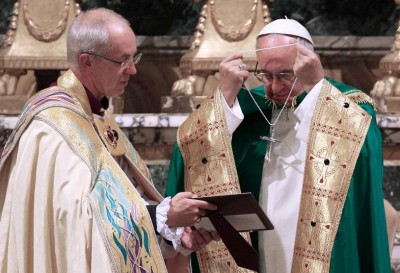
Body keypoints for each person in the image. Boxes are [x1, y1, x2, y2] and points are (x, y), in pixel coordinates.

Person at [0, 8, 221, 273]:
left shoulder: (98, 116)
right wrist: (163, 218)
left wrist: (170, 235)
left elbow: (121, 206)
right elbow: (76, 229)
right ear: (87, 61)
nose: (134, 69)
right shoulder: (50, 128)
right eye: (122, 60)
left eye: (134, 57)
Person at [166, 18, 392, 273]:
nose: (274, 86)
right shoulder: (247, 109)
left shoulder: (347, 104)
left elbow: (362, 154)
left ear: (307, 62)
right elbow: (190, 147)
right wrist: (225, 95)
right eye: (265, 74)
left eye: (285, 75)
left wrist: (317, 87)